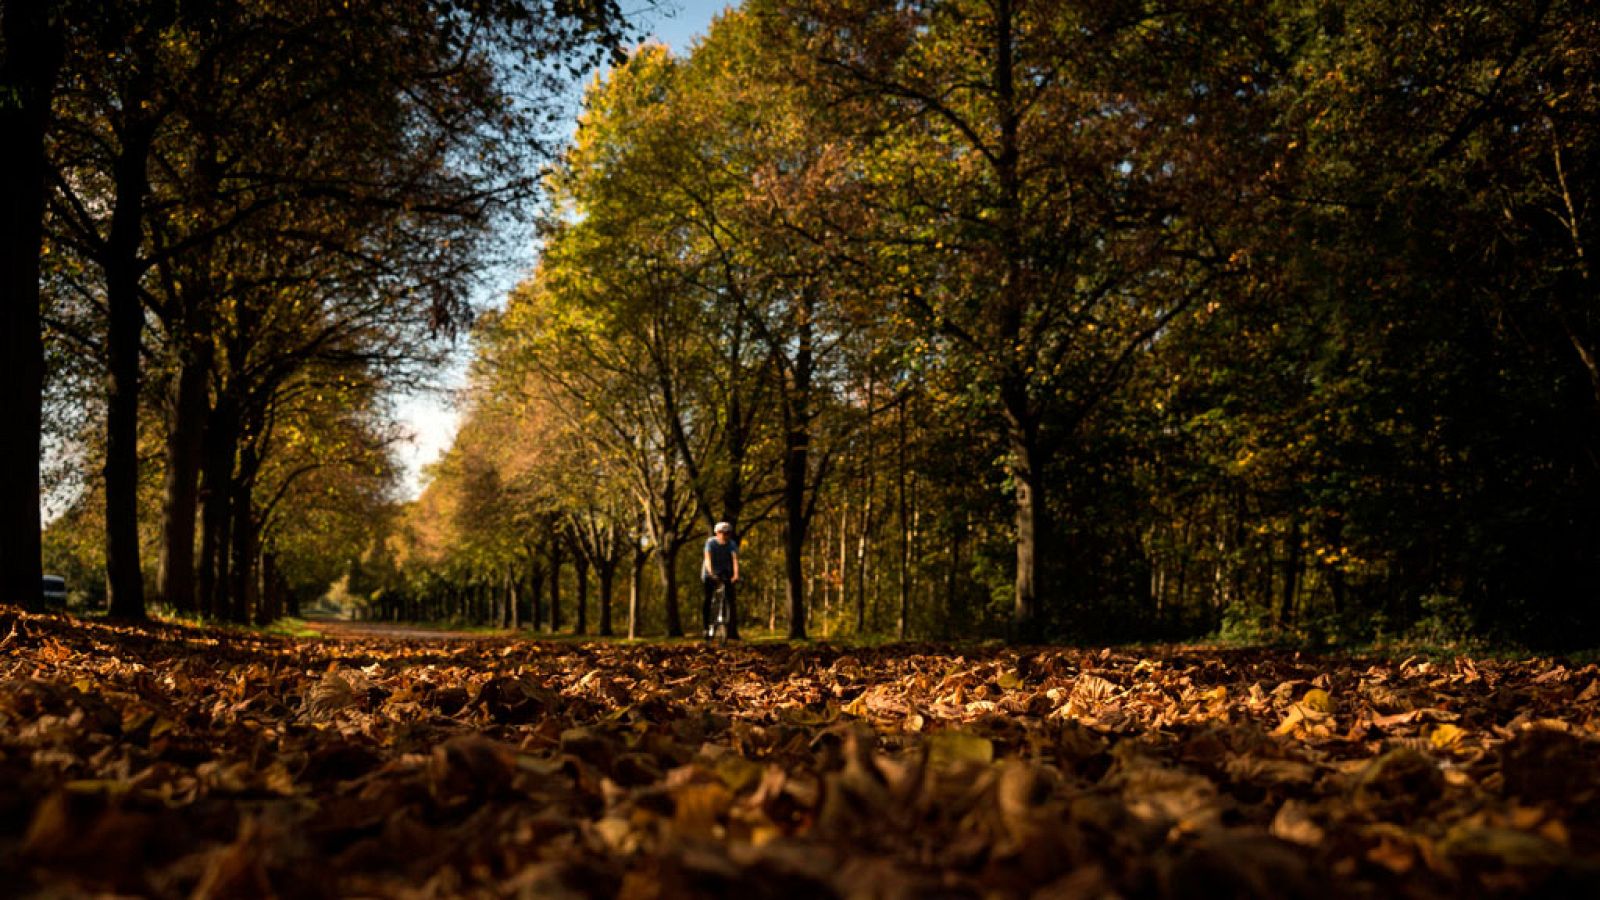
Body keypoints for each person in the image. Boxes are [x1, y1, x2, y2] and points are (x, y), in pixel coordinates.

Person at [701, 521, 739, 638]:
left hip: (724, 572)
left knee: (729, 597)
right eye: (722, 533)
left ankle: (726, 622)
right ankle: (706, 627)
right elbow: (707, 558)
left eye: (727, 533)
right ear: (716, 533)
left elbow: (735, 560)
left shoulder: (731, 544)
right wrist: (711, 573)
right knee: (708, 598)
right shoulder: (710, 543)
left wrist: (736, 574)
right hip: (710, 572)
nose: (725, 535)